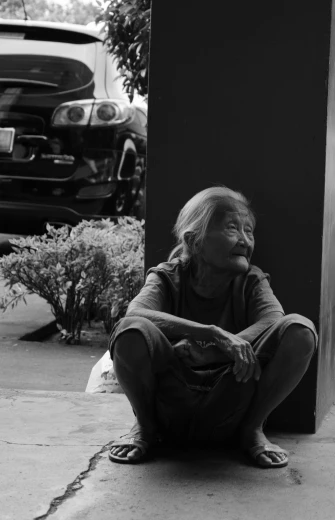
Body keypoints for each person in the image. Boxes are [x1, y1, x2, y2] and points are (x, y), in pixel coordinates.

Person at [107, 186, 317, 468]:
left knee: (300, 330)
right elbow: (136, 313)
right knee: (131, 331)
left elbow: (272, 319)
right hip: (172, 403)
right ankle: (144, 428)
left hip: (231, 400)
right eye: (232, 228)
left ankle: (252, 430)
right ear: (194, 241)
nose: (245, 241)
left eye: (249, 231)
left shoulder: (252, 280)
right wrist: (211, 333)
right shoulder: (168, 277)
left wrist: (212, 352)